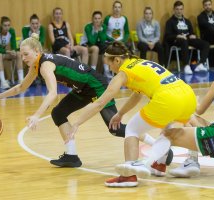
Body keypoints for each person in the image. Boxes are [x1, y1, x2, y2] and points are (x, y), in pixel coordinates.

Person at [0, 34, 155, 168]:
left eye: (26, 54)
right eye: (21, 54)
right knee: (58, 113)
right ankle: (71, 155)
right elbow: (20, 87)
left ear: (37, 52)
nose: (23, 58)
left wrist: (37, 115)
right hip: (82, 89)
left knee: (115, 129)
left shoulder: (45, 65)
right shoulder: (36, 65)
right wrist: (0, 95)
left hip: (96, 85)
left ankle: (154, 144)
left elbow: (52, 93)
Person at [69, 41, 197, 187]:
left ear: (117, 60)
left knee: (132, 129)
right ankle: (175, 163)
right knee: (168, 130)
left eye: (109, 65)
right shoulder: (139, 62)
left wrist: (77, 123)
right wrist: (120, 114)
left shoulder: (124, 73)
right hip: (187, 94)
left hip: (168, 98)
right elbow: (138, 94)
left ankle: (129, 175)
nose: (110, 69)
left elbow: (100, 103)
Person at [134, 58, 214, 179]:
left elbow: (200, 110)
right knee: (189, 117)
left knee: (168, 134)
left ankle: (147, 164)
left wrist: (192, 101)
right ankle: (189, 161)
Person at [164, 1, 210, 74]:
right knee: (183, 41)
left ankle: (201, 63)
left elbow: (191, 32)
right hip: (177, 40)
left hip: (188, 39)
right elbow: (167, 36)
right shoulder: (170, 22)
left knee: (205, 44)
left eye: (181, 9)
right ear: (174, 10)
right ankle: (186, 66)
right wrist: (177, 35)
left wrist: (193, 35)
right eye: (177, 9)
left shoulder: (187, 21)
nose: (179, 11)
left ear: (183, 9)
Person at [0, 16, 24, 89]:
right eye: (5, 25)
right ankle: (3, 82)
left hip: (2, 53)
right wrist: (8, 51)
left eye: (8, 25)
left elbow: (14, 45)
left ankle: (21, 80)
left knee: (18, 54)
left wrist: (14, 51)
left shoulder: (11, 31)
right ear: (1, 25)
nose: (7, 27)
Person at [103, 1, 130, 78]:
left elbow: (127, 32)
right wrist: (111, 39)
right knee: (106, 50)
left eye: (119, 7)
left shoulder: (124, 19)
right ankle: (107, 71)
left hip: (120, 41)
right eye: (115, 7)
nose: (117, 9)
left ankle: (124, 70)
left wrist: (123, 41)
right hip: (109, 41)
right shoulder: (108, 18)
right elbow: (103, 32)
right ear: (113, 8)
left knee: (127, 50)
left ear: (121, 9)